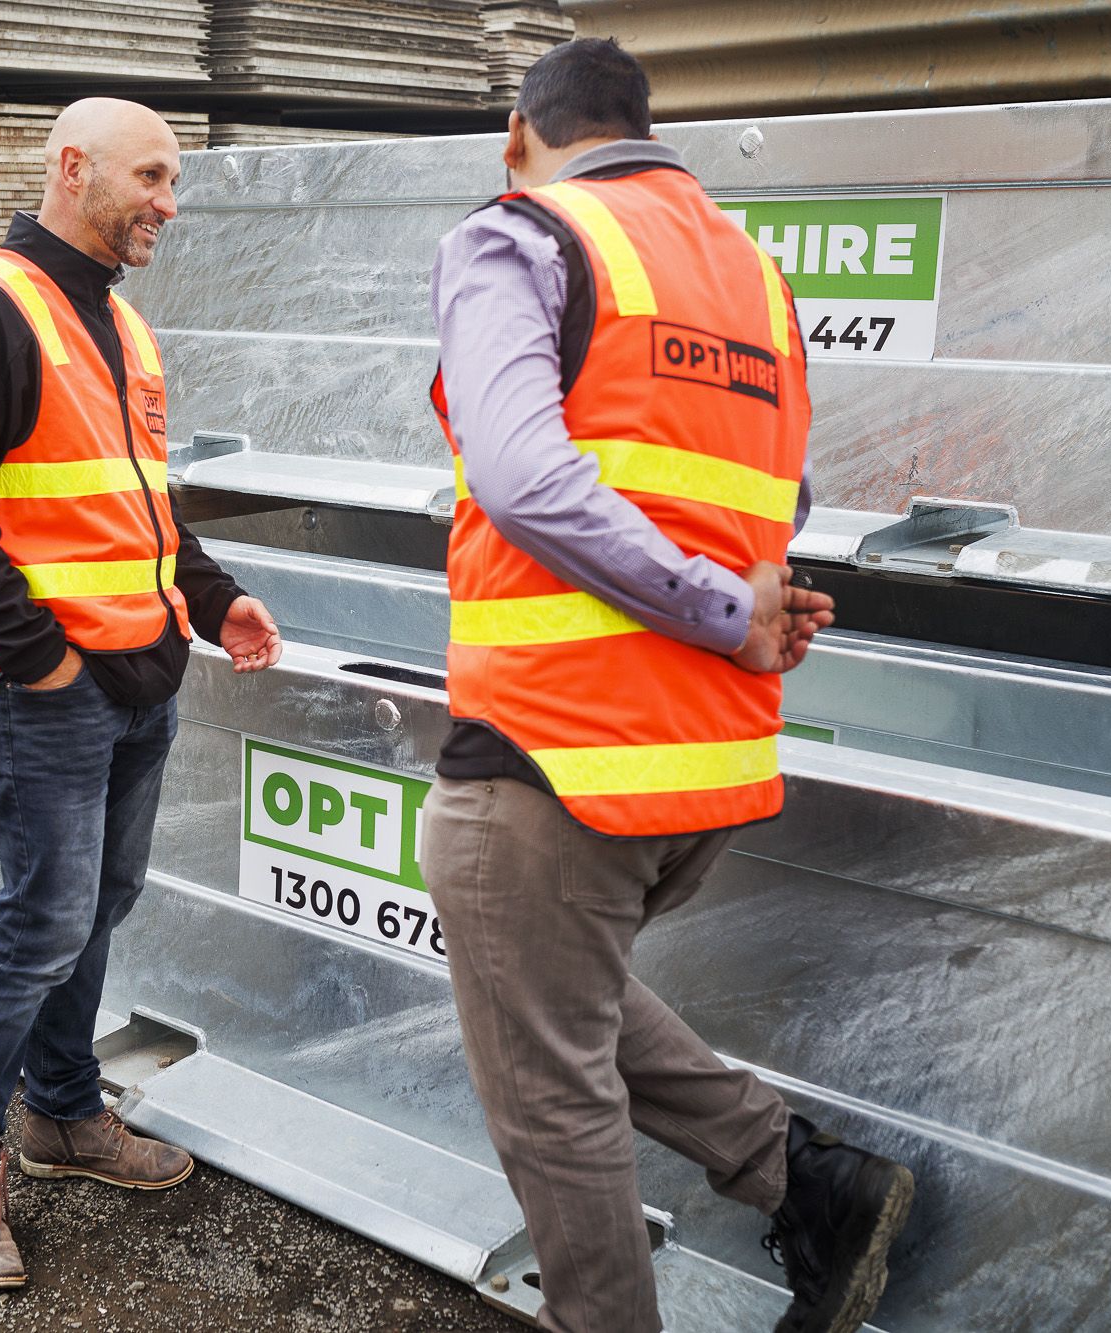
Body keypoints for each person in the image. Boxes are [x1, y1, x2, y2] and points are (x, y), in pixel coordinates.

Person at [420, 40, 914, 1333]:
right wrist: (740, 608)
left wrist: (710, 603)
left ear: (522, 135)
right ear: (648, 127)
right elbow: (777, 501)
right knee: (557, 1001)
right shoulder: (751, 273)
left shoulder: (521, 236)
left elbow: (524, 479)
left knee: (551, 1094)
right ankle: (805, 1178)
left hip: (552, 747)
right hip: (701, 762)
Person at [0, 97, 283, 1289]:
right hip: (49, 692)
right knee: (43, 924)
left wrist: (214, 600)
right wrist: (41, 657)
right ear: (74, 169)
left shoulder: (121, 326)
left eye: (173, 181)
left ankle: (63, 1114)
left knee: (96, 909)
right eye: (152, 177)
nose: (169, 202)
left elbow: (142, 507)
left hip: (140, 677)